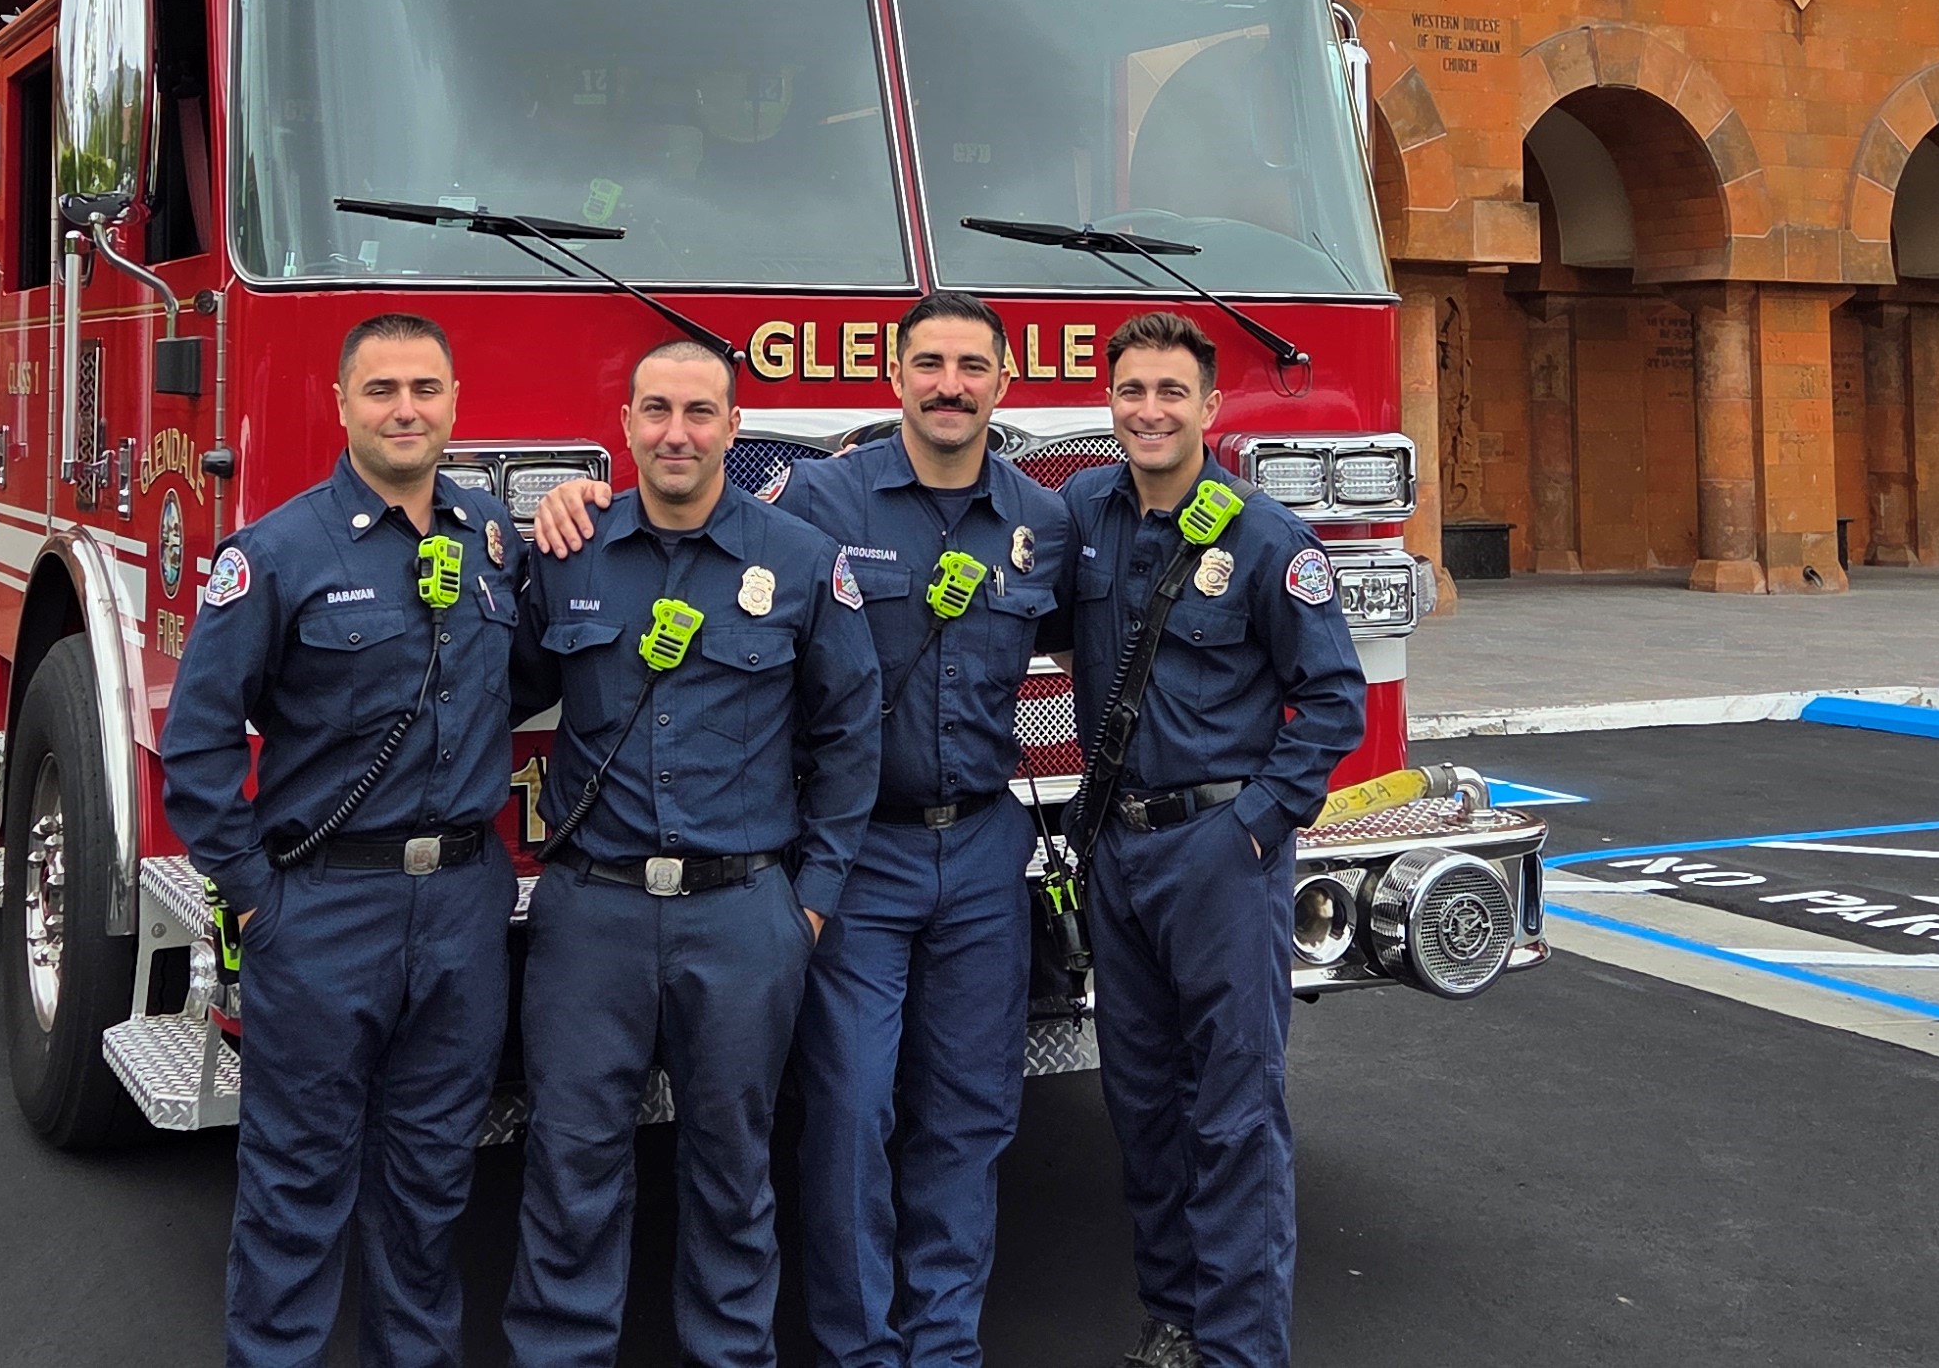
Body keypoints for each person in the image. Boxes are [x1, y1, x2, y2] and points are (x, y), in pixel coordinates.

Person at [532, 292, 1069, 1368]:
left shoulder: (1044, 518)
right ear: (896, 375)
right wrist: (569, 499)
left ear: (1003, 384)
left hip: (978, 852)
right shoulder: (819, 501)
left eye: (971, 364)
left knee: (969, 1116)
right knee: (846, 1114)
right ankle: (858, 1349)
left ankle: (943, 1347)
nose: (949, 382)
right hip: (858, 859)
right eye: (929, 361)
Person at [159, 314, 540, 1368]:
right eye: (381, 389)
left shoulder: (487, 538)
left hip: (462, 905)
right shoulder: (275, 554)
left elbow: (531, 675)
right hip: (321, 909)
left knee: (428, 1188)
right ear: (341, 403)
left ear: (456, 401)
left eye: (425, 387)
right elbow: (193, 745)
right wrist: (255, 896)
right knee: (297, 1188)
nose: (405, 408)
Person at [505, 336, 881, 1368]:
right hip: (593, 914)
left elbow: (852, 735)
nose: (677, 432)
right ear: (624, 424)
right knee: (570, 1167)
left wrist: (809, 900)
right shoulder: (566, 548)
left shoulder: (800, 561)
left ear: (731, 426)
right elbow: (488, 687)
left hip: (744, 915)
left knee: (730, 1171)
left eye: (700, 412)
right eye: (657, 410)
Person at [1053, 310, 1364, 1368]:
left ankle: (1241, 1346)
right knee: (1139, 1100)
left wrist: (1254, 827)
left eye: (1170, 392)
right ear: (1111, 401)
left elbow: (1332, 700)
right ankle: (1176, 1315)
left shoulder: (1267, 535)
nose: (1149, 409)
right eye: (1132, 390)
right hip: (1117, 853)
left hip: (1217, 854)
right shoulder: (1083, 513)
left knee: (1232, 1111)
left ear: (1208, 405)